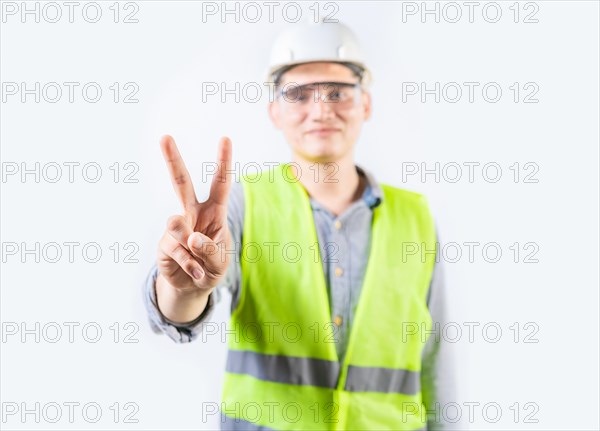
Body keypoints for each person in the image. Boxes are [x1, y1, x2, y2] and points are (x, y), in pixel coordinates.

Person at [144, 21, 459, 431]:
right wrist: (185, 288)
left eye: (338, 92)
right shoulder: (245, 205)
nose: (321, 109)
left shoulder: (415, 217)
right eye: (298, 93)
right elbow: (178, 311)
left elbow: (435, 366)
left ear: (366, 103)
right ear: (275, 110)